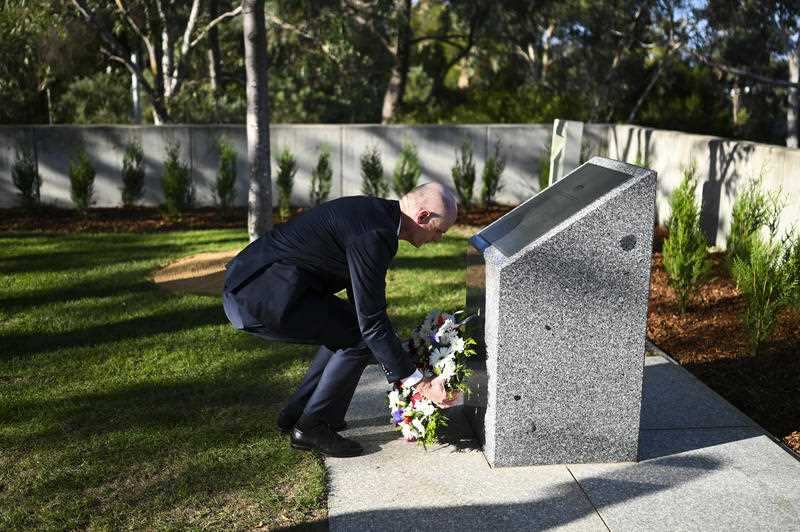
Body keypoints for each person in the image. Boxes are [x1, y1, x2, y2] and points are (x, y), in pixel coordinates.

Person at [222, 182, 459, 457]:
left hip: (262, 286)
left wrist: (398, 353)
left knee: (349, 325)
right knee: (359, 337)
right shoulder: (375, 234)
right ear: (422, 217)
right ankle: (312, 427)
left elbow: (364, 305)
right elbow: (371, 323)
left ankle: (299, 412)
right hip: (259, 297)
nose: (438, 238)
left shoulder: (377, 216)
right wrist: (423, 384)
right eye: (439, 231)